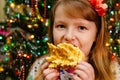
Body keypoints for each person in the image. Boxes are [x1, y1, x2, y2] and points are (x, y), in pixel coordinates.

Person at [27, 0, 120, 80]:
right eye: (61, 26)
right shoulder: (39, 67)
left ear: (97, 34)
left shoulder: (112, 69)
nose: (68, 36)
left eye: (81, 28)